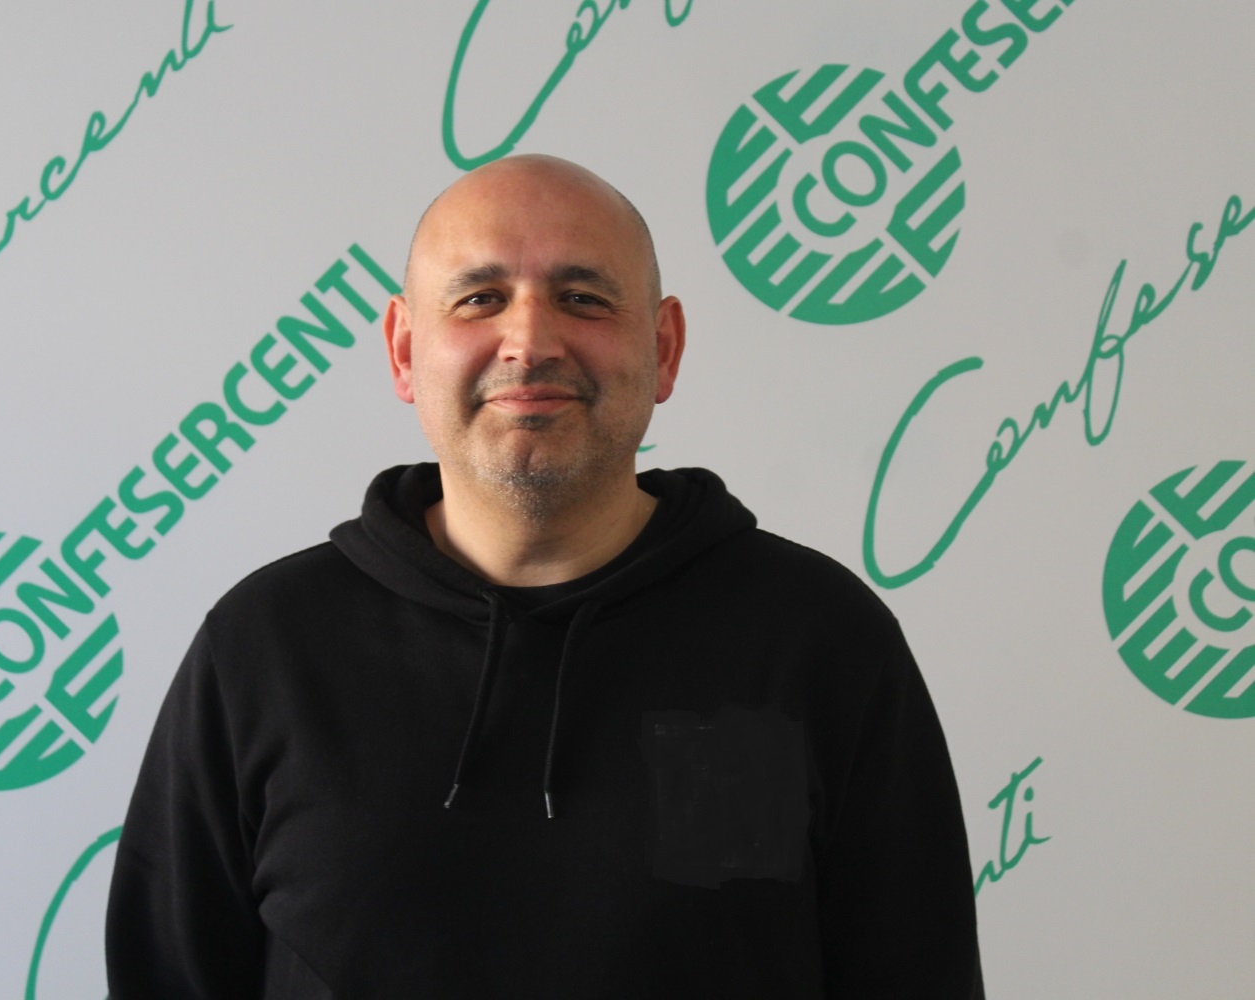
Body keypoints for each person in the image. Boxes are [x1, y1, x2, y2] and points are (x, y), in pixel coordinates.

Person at [106, 154, 984, 998]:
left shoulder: (815, 641)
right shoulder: (265, 649)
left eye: (583, 298)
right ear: (405, 350)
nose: (529, 341)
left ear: (664, 346)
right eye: (480, 299)